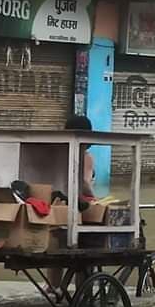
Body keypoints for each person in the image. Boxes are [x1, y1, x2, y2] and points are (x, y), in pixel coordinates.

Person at [46, 115, 96, 293]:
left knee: (56, 247)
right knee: (86, 253)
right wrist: (96, 199)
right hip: (75, 211)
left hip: (52, 209)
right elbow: (85, 183)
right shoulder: (85, 156)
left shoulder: (54, 153)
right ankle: (83, 291)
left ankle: (53, 288)